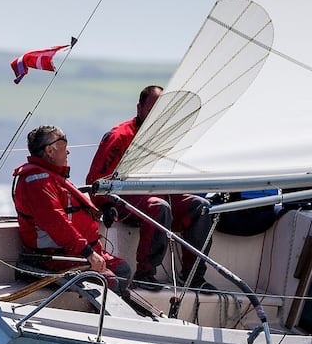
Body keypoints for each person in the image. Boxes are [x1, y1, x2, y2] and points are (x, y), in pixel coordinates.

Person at [87, 85, 214, 290]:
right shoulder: (119, 136)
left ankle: (193, 277)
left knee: (201, 206)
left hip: (158, 195)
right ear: (139, 108)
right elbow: (96, 180)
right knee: (159, 206)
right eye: (151, 110)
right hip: (123, 200)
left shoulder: (168, 139)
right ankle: (144, 274)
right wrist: (105, 204)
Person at [12, 125, 132, 294]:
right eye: (63, 145)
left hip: (73, 254)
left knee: (122, 270)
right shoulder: (36, 181)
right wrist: (88, 253)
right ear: (50, 150)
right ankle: (97, 318)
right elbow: (57, 223)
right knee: (108, 282)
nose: (68, 152)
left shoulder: (52, 177)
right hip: (52, 258)